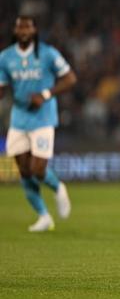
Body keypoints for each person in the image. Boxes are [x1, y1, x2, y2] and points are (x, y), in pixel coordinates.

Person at [0, 16, 77, 232]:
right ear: (15, 31)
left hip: (43, 118)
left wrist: (45, 94)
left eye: (28, 27)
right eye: (20, 27)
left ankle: (58, 187)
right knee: (25, 171)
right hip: (19, 119)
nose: (24, 31)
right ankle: (44, 216)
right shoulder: (5, 57)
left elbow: (70, 78)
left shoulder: (48, 53)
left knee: (37, 168)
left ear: (34, 30)